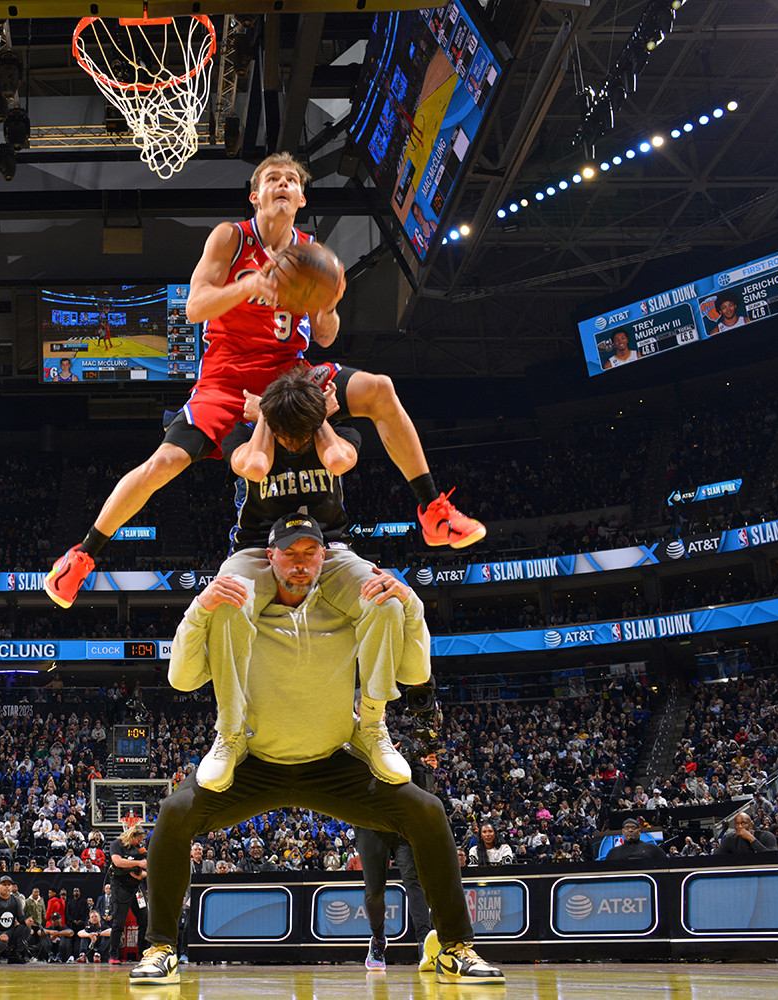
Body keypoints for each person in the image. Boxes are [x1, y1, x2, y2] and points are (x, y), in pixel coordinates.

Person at [43, 153, 485, 609]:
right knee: (165, 463)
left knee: (381, 389)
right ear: (255, 196)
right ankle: (81, 557)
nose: (282, 184)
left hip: (290, 373)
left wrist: (327, 306)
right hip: (226, 377)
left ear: (300, 198)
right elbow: (195, 307)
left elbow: (327, 336)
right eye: (272, 179)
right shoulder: (231, 238)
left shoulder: (313, 254)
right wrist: (248, 286)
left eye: (291, 180)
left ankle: (434, 512)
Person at [126, 518, 501, 986]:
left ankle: (455, 947)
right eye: (290, 553)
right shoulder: (238, 611)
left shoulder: (354, 608)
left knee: (426, 812)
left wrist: (411, 604)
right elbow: (180, 679)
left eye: (311, 552)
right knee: (174, 813)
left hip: (331, 762)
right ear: (270, 557)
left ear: (327, 558)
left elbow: (415, 672)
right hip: (254, 762)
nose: (300, 563)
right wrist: (198, 608)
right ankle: (161, 947)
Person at [194, 368, 425, 792]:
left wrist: (319, 418)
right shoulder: (246, 436)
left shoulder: (334, 434)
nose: (294, 443)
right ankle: (228, 733)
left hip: (330, 549)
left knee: (384, 600)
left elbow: (339, 460)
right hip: (256, 550)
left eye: (301, 433)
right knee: (227, 606)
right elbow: (255, 468)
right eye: (287, 433)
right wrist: (264, 416)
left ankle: (372, 726)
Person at [358, 751, 439, 972]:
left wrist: (428, 770)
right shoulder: (361, 747)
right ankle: (378, 941)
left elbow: (426, 794)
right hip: (371, 823)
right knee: (374, 891)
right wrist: (376, 759)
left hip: (403, 825)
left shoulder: (409, 749)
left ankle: (425, 945)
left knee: (415, 882)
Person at [108, 821, 149, 963]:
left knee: (144, 919)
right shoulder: (117, 844)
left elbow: (146, 867)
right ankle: (113, 955)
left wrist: (141, 873)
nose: (140, 842)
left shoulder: (138, 848)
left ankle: (143, 954)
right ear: (132, 835)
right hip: (121, 887)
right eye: (138, 839)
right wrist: (137, 864)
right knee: (119, 922)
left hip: (136, 888)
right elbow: (117, 862)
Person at [0, 875, 32, 963]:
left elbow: (20, 918)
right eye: (4, 884)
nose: (7, 886)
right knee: (0, 944)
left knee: (26, 928)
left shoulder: (16, 900)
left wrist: (26, 920)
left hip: (9, 931)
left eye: (9, 885)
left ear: (12, 887)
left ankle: (14, 954)